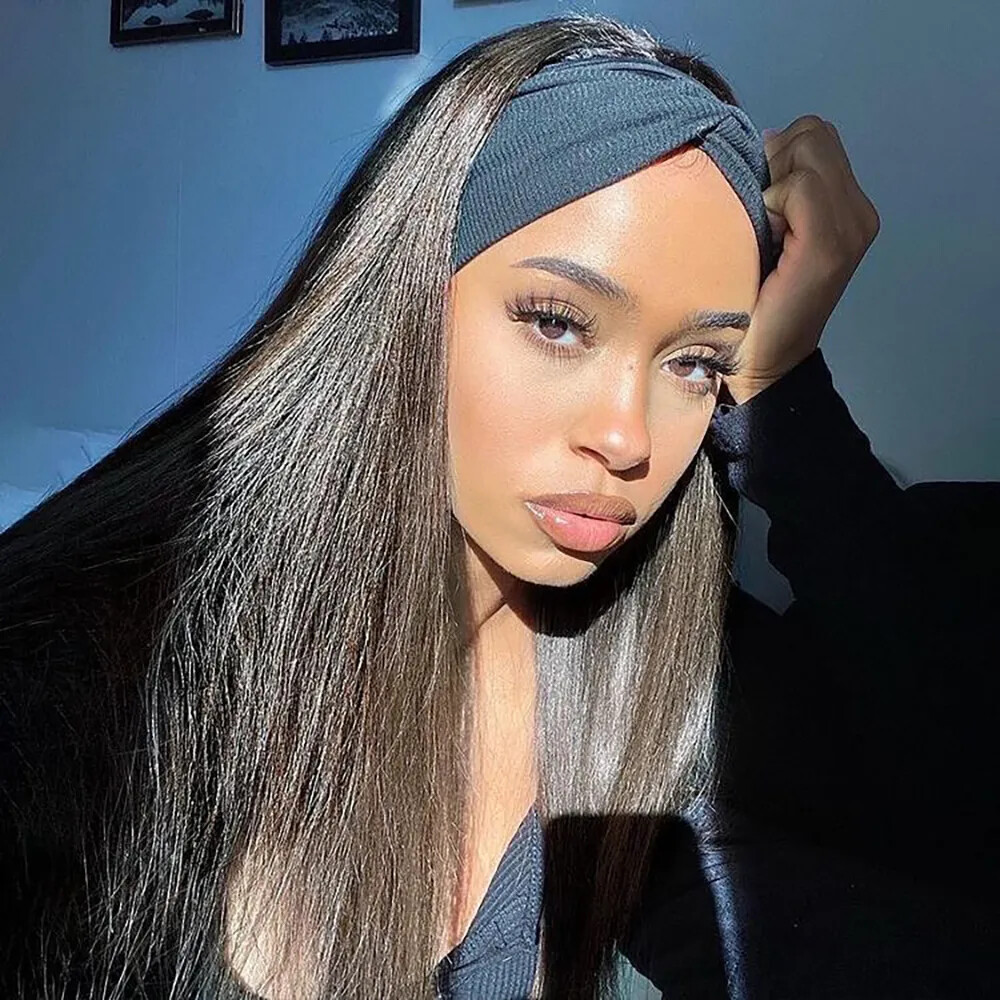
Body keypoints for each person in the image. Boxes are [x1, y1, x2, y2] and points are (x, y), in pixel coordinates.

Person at [5, 11, 989, 1000]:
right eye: (557, 322)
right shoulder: (89, 688)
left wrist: (781, 387)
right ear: (404, 298)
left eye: (696, 362)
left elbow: (949, 799)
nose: (628, 437)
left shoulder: (653, 653)